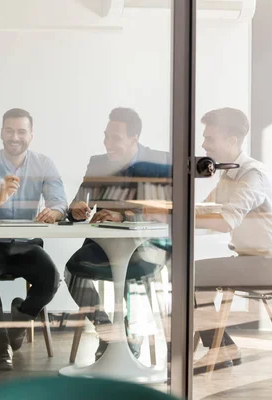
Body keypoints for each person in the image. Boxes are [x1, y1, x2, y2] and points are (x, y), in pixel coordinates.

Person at [0, 108, 68, 371]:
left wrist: (53, 213)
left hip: (24, 244)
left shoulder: (44, 164)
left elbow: (59, 203)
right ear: (1, 133)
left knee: (51, 278)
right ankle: (1, 344)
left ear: (30, 136)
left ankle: (19, 321)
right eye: (9, 130)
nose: (15, 136)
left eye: (21, 131)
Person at [65, 107, 171, 360]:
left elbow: (168, 211)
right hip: (104, 246)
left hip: (147, 246)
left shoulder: (160, 162)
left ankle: (132, 339)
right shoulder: (98, 163)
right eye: (106, 136)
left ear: (135, 138)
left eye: (116, 138)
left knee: (130, 272)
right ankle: (108, 331)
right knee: (72, 271)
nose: (107, 143)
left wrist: (125, 216)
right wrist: (76, 210)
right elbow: (78, 203)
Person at [192, 107, 272, 373]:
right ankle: (221, 347)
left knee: (193, 274)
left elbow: (225, 222)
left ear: (231, 141)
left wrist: (181, 217)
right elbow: (206, 207)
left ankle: (221, 349)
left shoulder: (253, 175)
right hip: (250, 259)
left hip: (270, 264)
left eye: (209, 138)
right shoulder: (228, 174)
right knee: (193, 274)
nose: (203, 144)